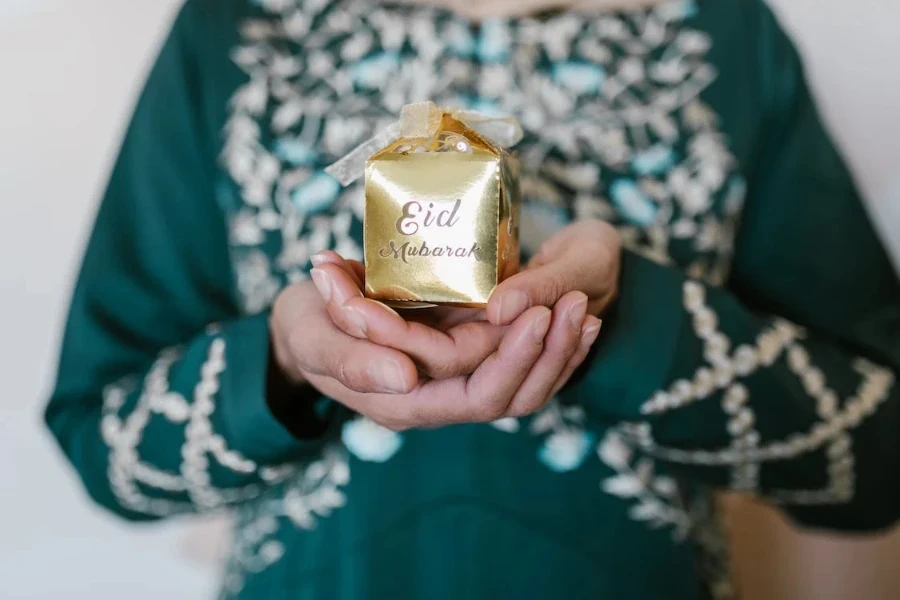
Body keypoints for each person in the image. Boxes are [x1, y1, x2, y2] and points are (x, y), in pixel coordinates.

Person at [44, 0, 900, 598]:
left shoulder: (723, 33)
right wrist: (282, 359)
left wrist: (627, 315)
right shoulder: (235, 27)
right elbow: (103, 446)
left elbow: (880, 460)